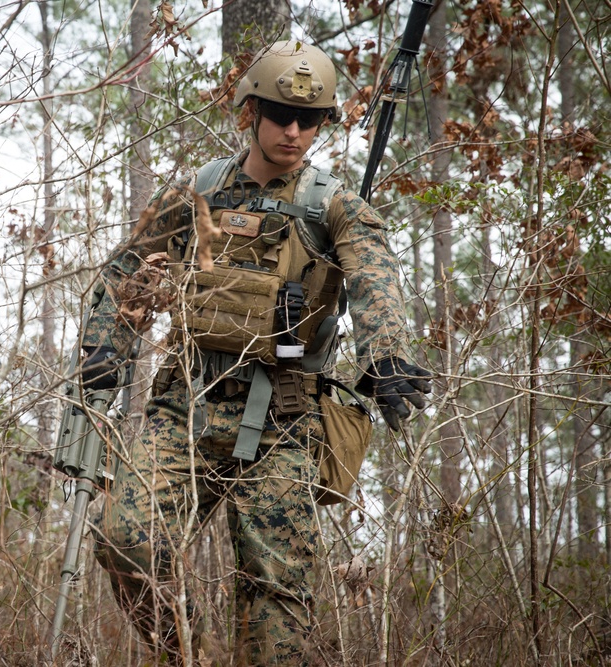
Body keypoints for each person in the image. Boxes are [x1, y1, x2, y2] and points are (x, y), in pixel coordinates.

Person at [77, 40, 432, 665]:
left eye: (310, 120)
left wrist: (387, 355)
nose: (294, 132)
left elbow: (377, 278)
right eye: (279, 115)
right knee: (126, 540)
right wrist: (105, 343)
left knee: (275, 610)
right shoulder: (200, 191)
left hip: (284, 421)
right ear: (250, 112)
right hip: (185, 404)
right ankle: (191, 654)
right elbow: (126, 270)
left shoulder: (336, 206)